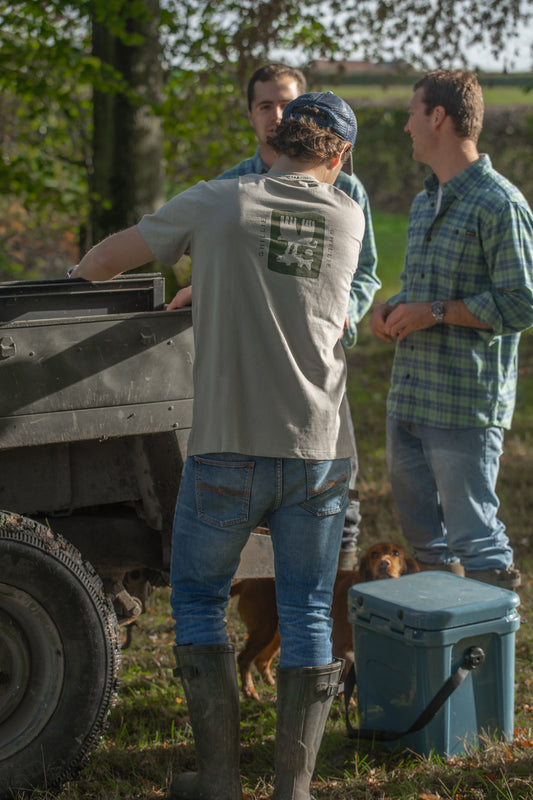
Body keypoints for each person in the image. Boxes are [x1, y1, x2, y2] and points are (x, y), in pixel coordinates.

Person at [69, 91, 365, 800]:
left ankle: (222, 781)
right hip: (319, 448)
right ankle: (293, 790)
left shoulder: (219, 200)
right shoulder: (350, 215)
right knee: (304, 610)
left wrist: (72, 293)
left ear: (274, 144)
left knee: (200, 601)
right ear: (337, 157)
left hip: (228, 443)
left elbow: (109, 257)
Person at [175, 63, 380, 569]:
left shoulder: (348, 192)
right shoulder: (228, 188)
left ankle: (338, 591)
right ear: (251, 114)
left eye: (288, 103)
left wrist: (344, 314)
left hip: (315, 368)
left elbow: (367, 273)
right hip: (244, 375)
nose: (279, 115)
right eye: (266, 105)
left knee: (337, 489)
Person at [370, 69, 533, 590]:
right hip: (410, 402)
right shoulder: (424, 203)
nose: (405, 127)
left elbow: (521, 302)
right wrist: (394, 307)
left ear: (437, 116)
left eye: (412, 113)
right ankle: (446, 658)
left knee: (477, 543)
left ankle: (490, 667)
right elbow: (428, 292)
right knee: (426, 549)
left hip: (462, 407)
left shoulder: (499, 204)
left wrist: (434, 312)